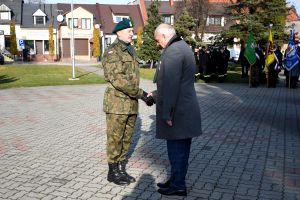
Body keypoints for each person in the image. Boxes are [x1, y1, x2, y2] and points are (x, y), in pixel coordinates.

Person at [150, 23, 202, 196]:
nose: (158, 44)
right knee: (180, 149)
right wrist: (157, 94)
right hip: (183, 109)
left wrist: (167, 113)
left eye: (158, 41)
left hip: (178, 111)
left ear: (164, 36)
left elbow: (172, 86)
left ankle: (178, 185)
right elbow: (175, 82)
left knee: (177, 150)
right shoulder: (181, 46)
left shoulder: (174, 51)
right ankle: (175, 180)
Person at [102, 18, 153, 186]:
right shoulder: (113, 52)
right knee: (115, 138)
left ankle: (120, 169)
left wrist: (140, 96)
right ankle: (112, 171)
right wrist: (142, 94)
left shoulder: (131, 50)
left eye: (132, 30)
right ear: (119, 32)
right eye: (129, 30)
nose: (133, 33)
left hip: (131, 104)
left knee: (126, 138)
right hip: (117, 104)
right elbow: (119, 80)